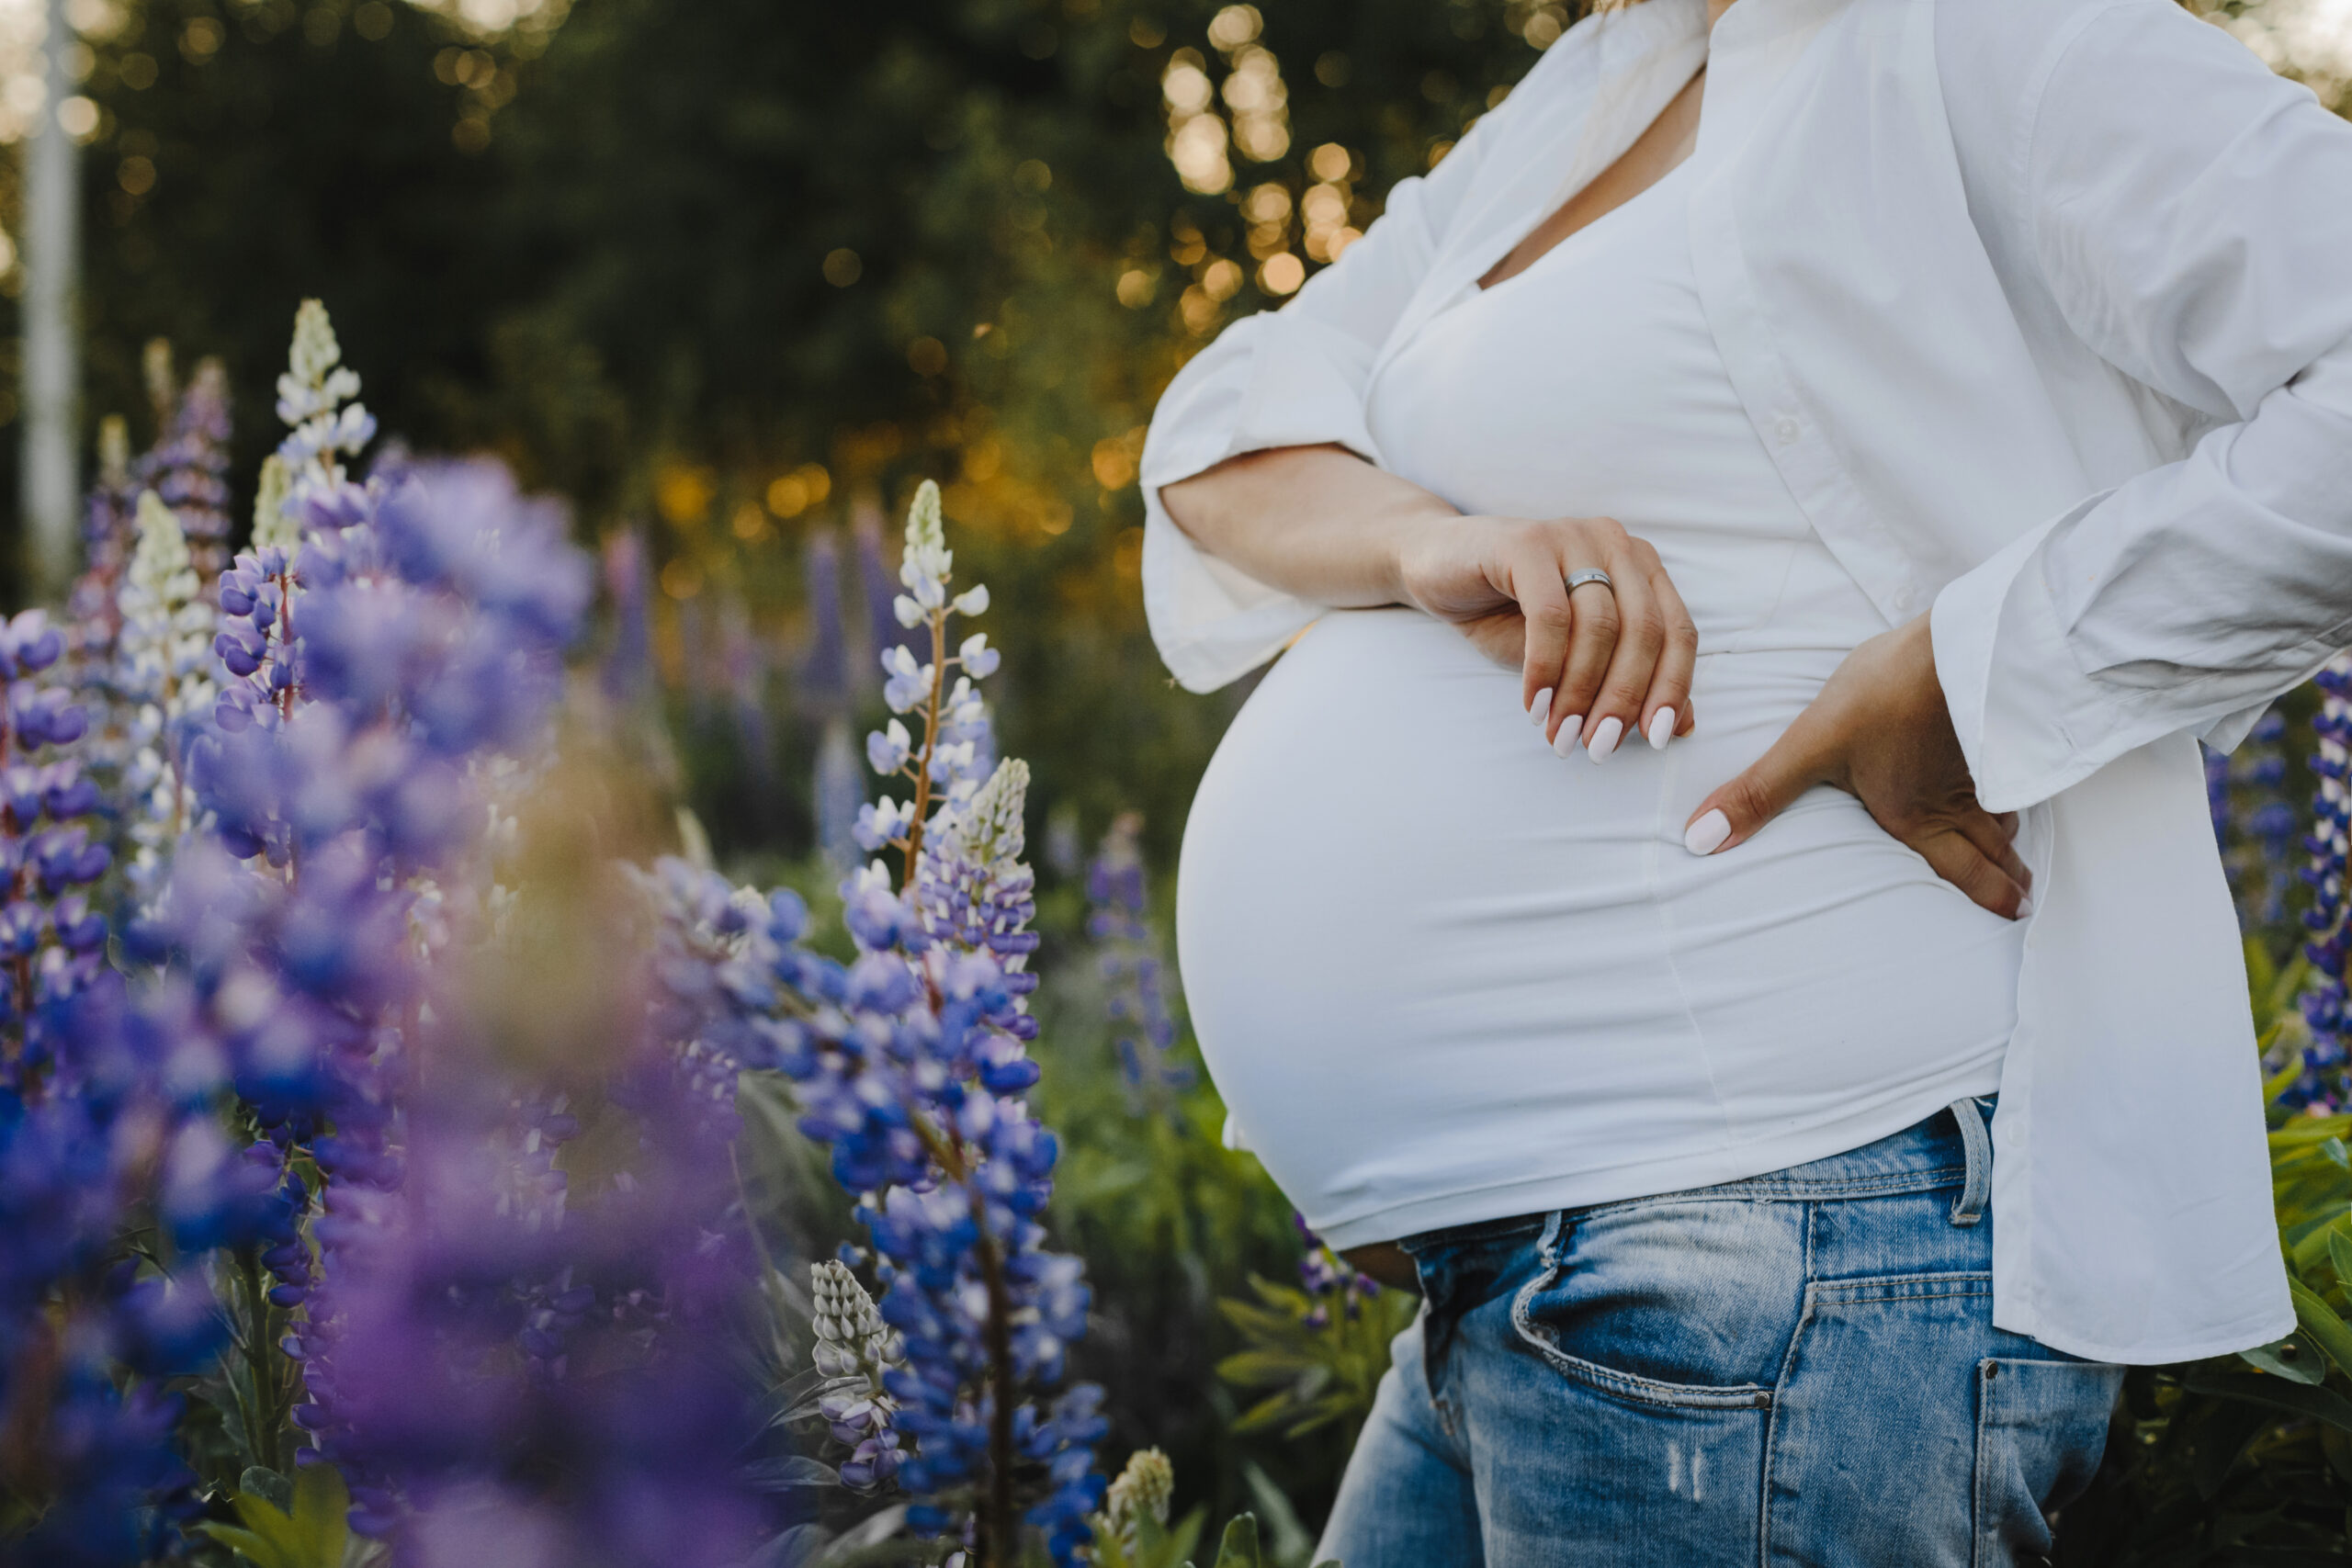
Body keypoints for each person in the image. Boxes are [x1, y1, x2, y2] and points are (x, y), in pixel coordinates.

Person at [1139, 0, 2352, 1557]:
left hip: (1772, 1253)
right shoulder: (1602, 87)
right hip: (1535, 1283)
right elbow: (1225, 428)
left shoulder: (1998, 33)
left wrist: (1978, 673)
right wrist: (1429, 537)